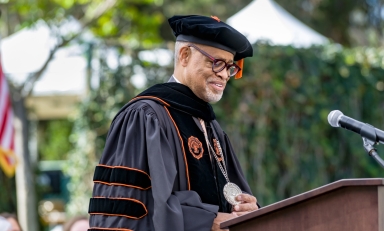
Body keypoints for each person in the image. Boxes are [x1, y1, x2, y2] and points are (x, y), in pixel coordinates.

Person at [88, 15, 259, 231]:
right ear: (184, 55)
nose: (224, 75)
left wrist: (249, 209)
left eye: (229, 67)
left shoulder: (210, 125)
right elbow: (130, 208)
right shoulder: (144, 116)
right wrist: (207, 220)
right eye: (216, 63)